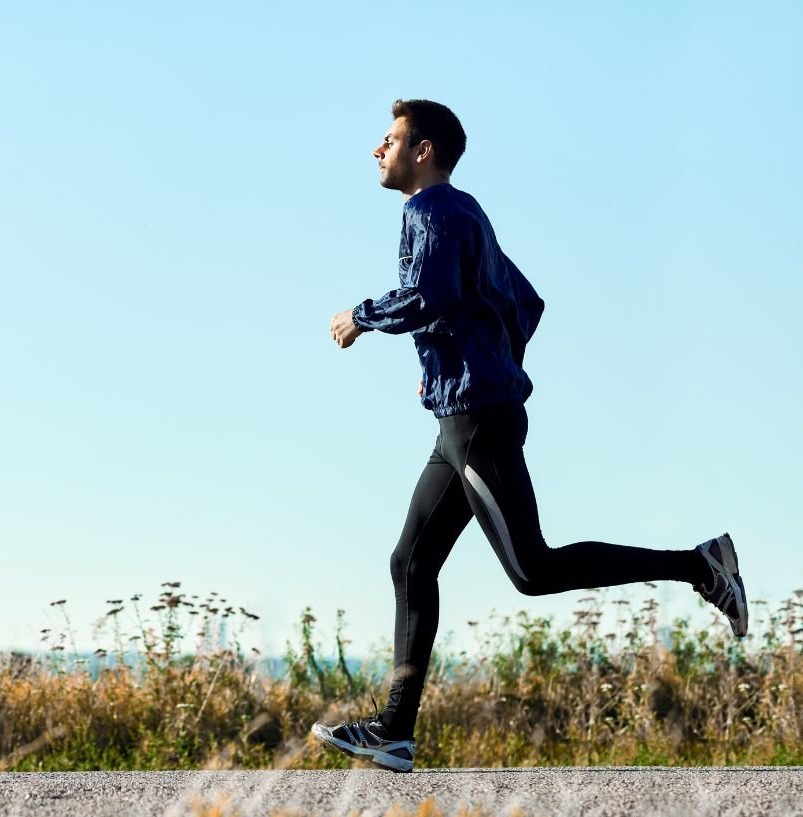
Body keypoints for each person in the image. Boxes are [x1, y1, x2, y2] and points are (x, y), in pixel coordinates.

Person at [310, 99, 748, 774]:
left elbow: (427, 295)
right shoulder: (468, 214)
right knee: (410, 562)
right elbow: (525, 301)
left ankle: (701, 564)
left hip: (476, 417)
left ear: (423, 151)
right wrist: (476, 359)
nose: (378, 149)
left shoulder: (432, 211)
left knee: (532, 569)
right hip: (462, 416)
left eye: (390, 139)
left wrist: (361, 318)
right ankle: (395, 731)